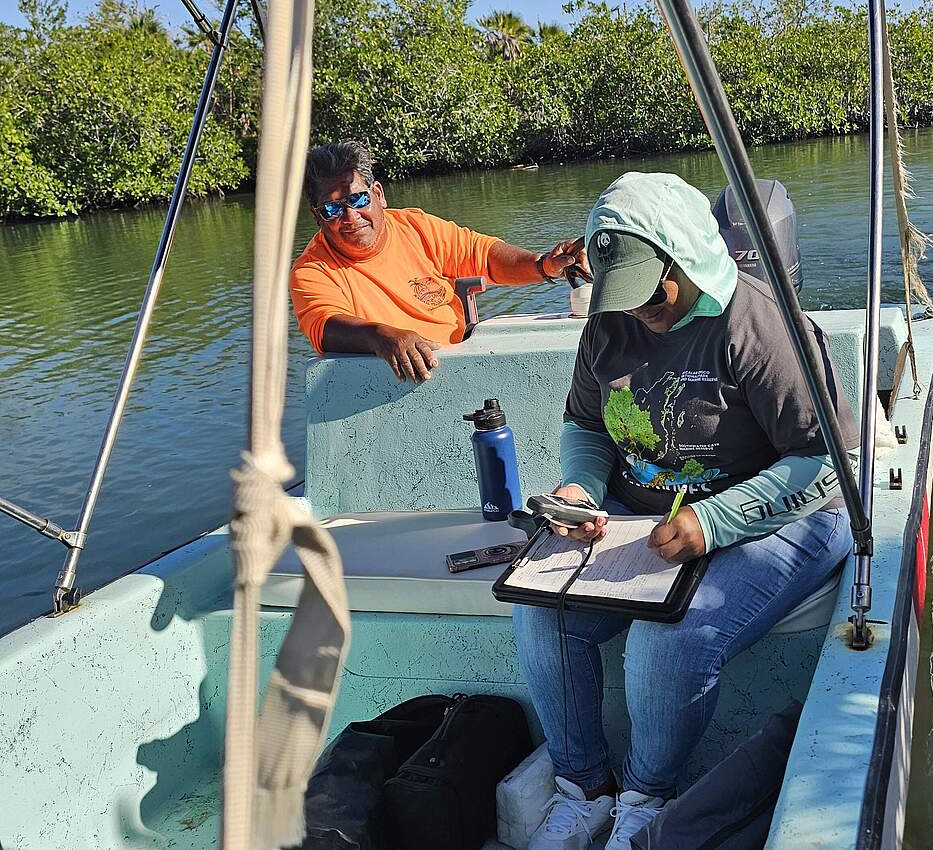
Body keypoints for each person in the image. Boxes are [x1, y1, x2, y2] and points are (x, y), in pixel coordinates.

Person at [515, 172, 860, 850]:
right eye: (625, 292)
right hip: (653, 520)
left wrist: (714, 523)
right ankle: (582, 790)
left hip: (788, 511)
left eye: (653, 288)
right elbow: (585, 426)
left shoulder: (757, 325)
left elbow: (827, 462)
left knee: (670, 636)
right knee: (543, 606)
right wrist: (581, 489)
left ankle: (645, 798)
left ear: (688, 257)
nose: (639, 308)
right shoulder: (609, 325)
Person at [289, 140, 588, 381]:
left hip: (463, 366)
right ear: (317, 216)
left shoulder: (417, 227)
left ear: (378, 195)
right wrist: (384, 337)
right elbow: (326, 326)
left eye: (358, 200)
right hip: (388, 384)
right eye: (332, 209)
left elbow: (484, 254)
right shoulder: (312, 271)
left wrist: (544, 265)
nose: (351, 217)